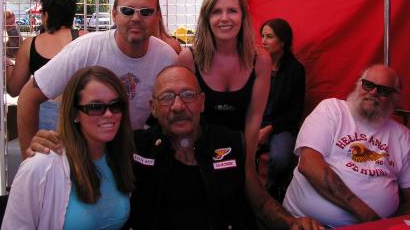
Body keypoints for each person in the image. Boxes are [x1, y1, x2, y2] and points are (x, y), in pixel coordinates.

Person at [29, 65, 323, 230]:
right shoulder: (133, 147)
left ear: (203, 101)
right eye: (167, 97)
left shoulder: (231, 143)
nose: (179, 106)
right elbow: (89, 137)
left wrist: (291, 222)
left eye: (187, 94)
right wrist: (54, 141)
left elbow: (260, 202)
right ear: (152, 108)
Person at [17, 0, 177, 157]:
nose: (136, 18)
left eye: (146, 12)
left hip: (134, 156)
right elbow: (28, 96)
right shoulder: (86, 48)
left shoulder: (167, 58)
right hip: (84, 157)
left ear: (157, 17)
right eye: (127, 11)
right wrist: (28, 155)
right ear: (114, 14)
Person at [1, 66, 134, 230]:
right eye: (95, 107)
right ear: (75, 114)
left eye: (115, 105)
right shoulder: (42, 166)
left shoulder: (122, 159)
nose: (108, 114)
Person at [283, 64, 410, 228]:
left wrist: (391, 225)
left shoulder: (402, 136)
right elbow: (309, 165)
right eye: (368, 85)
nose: (373, 93)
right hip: (307, 223)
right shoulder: (332, 110)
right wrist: (368, 215)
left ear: (394, 97)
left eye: (383, 90)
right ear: (359, 85)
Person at [177, 0, 271, 164]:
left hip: (239, 150)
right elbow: (184, 118)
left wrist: (249, 163)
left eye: (232, 11)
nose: (225, 18)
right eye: (216, 11)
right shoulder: (188, 59)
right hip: (198, 153)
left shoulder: (261, 60)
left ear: (243, 16)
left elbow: (253, 119)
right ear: (206, 18)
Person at [6, 0, 86, 131]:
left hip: (43, 127)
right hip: (80, 120)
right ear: (72, 15)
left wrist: (8, 65)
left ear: (45, 15)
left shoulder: (30, 45)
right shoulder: (86, 40)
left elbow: (14, 89)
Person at [258, 18, 305, 199]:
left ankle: (270, 196)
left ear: (283, 41)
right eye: (262, 36)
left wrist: (269, 129)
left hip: (280, 126)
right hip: (257, 122)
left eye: (269, 36)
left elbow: (295, 112)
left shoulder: (295, 70)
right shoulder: (257, 65)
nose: (263, 41)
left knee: (281, 159)